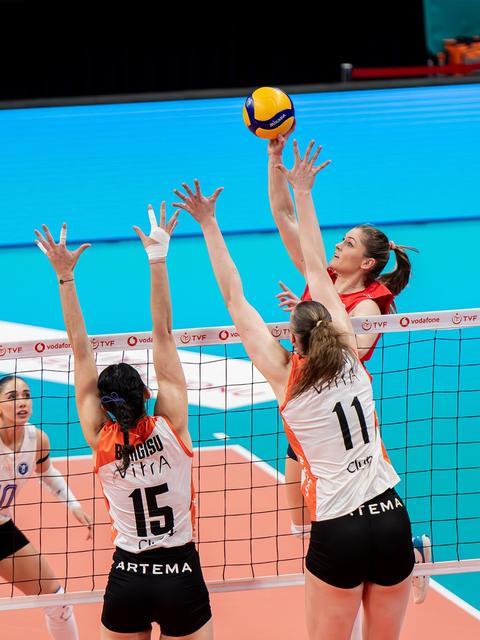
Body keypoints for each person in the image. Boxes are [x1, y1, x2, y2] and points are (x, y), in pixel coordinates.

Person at [173, 145, 414, 639]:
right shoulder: (350, 355)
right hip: (392, 515)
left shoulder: (286, 376)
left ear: (294, 338)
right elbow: (318, 273)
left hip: (339, 524)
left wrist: (210, 225)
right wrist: (303, 191)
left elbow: (235, 296)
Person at [35, 205, 212, 640]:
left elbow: (80, 351)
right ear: (147, 393)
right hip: (180, 574)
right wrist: (157, 257)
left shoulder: (99, 437)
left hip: (128, 577)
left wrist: (65, 277)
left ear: (105, 405)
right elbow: (163, 332)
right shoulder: (171, 424)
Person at [268, 132, 430, 608]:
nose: (338, 246)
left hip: (344, 428)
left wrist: (310, 327)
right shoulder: (323, 280)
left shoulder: (367, 307)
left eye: (348, 243)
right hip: (305, 418)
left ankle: (406, 553)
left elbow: (346, 355)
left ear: (368, 262)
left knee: (335, 519)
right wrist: (274, 157)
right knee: (298, 520)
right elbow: (283, 216)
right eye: (340, 240)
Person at [0, 374, 92, 640]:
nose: (22, 402)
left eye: (26, 396)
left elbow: (47, 472)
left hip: (2, 528)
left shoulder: (37, 440)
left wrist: (73, 505)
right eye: (12, 397)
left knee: (56, 601)